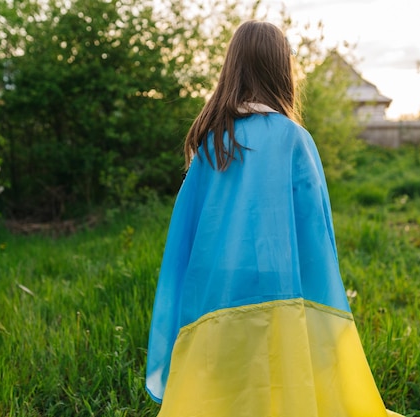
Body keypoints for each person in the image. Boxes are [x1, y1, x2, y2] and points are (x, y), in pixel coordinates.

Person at [146, 20, 403, 417]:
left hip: (219, 290)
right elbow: (315, 230)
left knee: (227, 388)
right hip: (280, 283)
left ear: (232, 68)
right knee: (279, 381)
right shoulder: (294, 139)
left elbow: (188, 233)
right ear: (282, 72)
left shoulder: (214, 143)